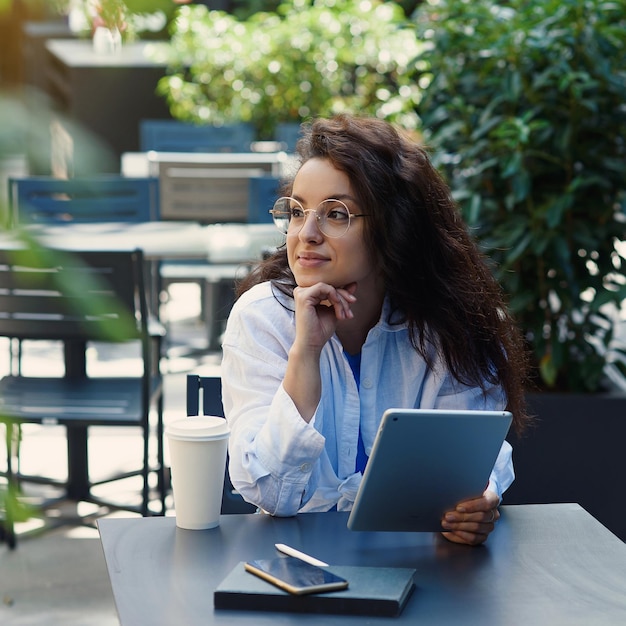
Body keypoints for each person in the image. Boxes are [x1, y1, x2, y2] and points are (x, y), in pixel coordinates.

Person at [221, 114, 530, 546]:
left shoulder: (450, 325)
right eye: (296, 212)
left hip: (422, 563)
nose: (306, 234)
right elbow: (274, 495)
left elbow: (475, 459)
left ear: (393, 225)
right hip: (298, 569)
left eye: (335, 213)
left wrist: (477, 502)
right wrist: (305, 352)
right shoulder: (263, 317)